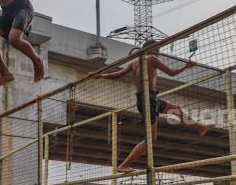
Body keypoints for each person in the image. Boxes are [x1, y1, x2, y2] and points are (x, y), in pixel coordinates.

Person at [90, 40, 214, 173]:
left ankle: (201, 127)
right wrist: (185, 66)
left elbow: (117, 75)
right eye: (158, 50)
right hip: (148, 99)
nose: (159, 53)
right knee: (151, 138)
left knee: (175, 109)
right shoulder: (151, 58)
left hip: (148, 99)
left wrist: (100, 75)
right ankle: (124, 165)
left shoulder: (134, 62)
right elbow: (171, 73)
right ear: (150, 49)